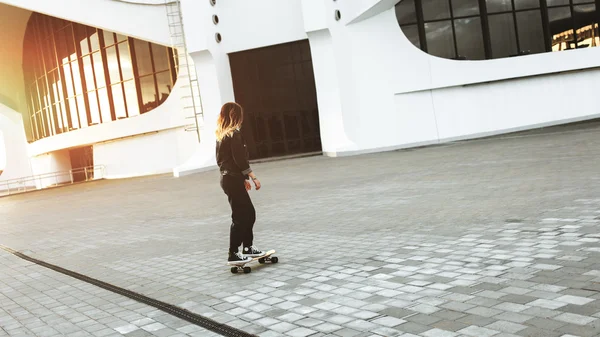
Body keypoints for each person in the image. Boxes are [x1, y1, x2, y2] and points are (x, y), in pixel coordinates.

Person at [215, 102, 266, 265]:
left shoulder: (221, 135)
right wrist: (252, 176)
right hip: (231, 179)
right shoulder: (233, 134)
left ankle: (247, 248)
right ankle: (233, 253)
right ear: (236, 116)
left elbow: (222, 161)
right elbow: (239, 159)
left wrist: (241, 178)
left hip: (229, 179)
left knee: (248, 214)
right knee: (240, 216)